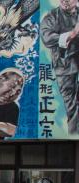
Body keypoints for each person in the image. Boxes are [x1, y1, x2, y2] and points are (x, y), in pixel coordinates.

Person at [42, 0, 79, 135]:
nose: (65, 1)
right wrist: (73, 33)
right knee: (71, 103)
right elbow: (47, 38)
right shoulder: (52, 16)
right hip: (64, 66)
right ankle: (74, 133)